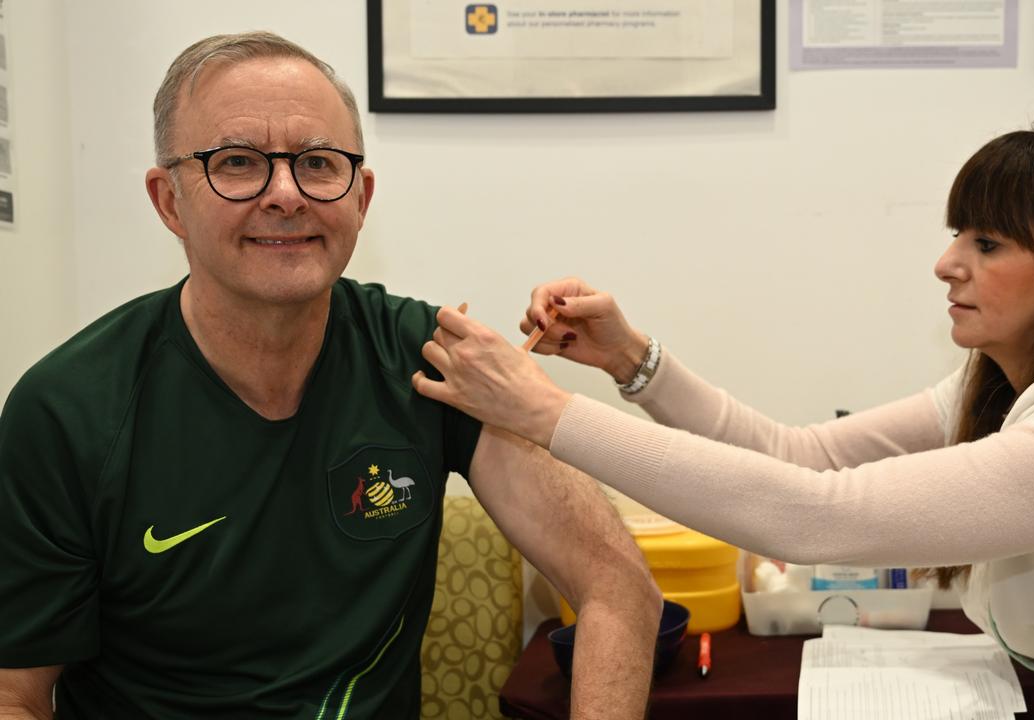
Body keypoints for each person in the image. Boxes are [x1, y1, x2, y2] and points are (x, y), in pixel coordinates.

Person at [413, 124, 1034, 718]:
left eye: (987, 243)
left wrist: (543, 411)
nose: (947, 264)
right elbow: (805, 456)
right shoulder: (1009, 387)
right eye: (958, 236)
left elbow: (823, 516)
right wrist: (629, 360)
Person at [0, 32, 661, 720]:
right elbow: (13, 695)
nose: (286, 194)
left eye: (318, 163)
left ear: (361, 197)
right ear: (169, 201)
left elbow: (616, 581)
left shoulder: (430, 359)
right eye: (236, 163)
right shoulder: (68, 411)